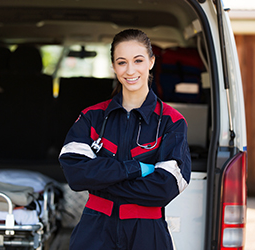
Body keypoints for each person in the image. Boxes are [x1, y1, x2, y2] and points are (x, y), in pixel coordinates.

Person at [58, 29, 191, 250]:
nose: (130, 70)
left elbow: (165, 188)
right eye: (122, 62)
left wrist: (102, 181)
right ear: (113, 66)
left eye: (138, 60)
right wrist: (135, 169)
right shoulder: (91, 117)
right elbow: (76, 175)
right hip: (94, 231)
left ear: (151, 62)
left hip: (147, 233)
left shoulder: (172, 122)